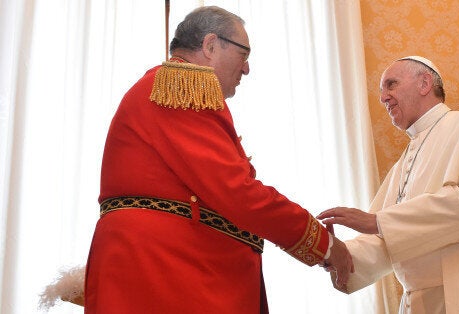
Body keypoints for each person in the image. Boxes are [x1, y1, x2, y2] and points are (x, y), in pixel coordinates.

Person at [84, 6, 353, 313]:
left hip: (164, 264)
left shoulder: (167, 87)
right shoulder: (182, 85)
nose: (247, 68)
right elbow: (237, 192)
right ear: (211, 46)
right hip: (166, 267)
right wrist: (325, 245)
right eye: (244, 54)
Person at [317, 56, 459, 313]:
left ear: (425, 83)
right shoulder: (402, 164)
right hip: (423, 301)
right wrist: (338, 253)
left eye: (391, 85)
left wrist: (377, 221)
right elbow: (386, 239)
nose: (383, 97)